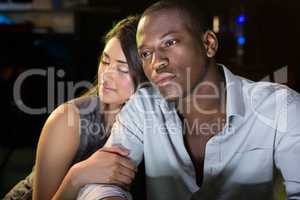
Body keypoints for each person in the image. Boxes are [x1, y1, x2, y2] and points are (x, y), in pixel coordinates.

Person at [77, 1, 300, 200]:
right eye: (146, 53)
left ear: (209, 44)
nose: (157, 62)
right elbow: (100, 181)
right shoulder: (143, 106)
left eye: (170, 42)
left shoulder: (279, 106)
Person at [3, 16, 147, 200]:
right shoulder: (68, 120)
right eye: (105, 61)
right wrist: (77, 176)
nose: (106, 75)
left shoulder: (151, 120)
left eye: (123, 69)